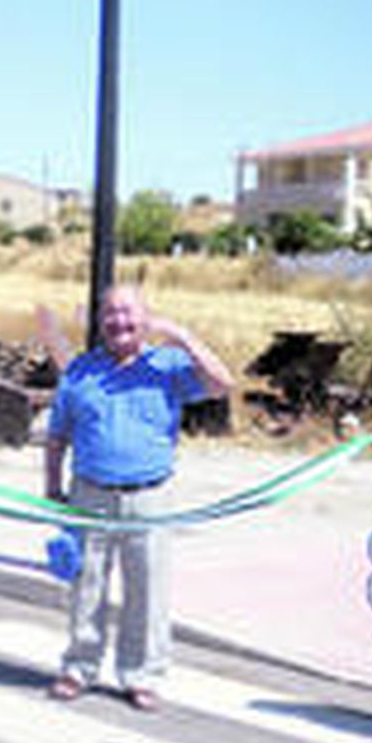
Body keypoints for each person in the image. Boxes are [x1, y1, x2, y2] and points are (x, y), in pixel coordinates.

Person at [43, 284, 234, 711]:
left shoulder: (167, 365)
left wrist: (182, 336)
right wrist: (52, 490)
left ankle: (141, 675)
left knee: (147, 590)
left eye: (128, 313)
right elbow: (56, 437)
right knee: (86, 587)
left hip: (149, 497)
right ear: (100, 322)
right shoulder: (79, 371)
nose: (119, 322)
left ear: (145, 319)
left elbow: (223, 384)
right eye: (110, 314)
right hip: (88, 495)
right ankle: (79, 668)